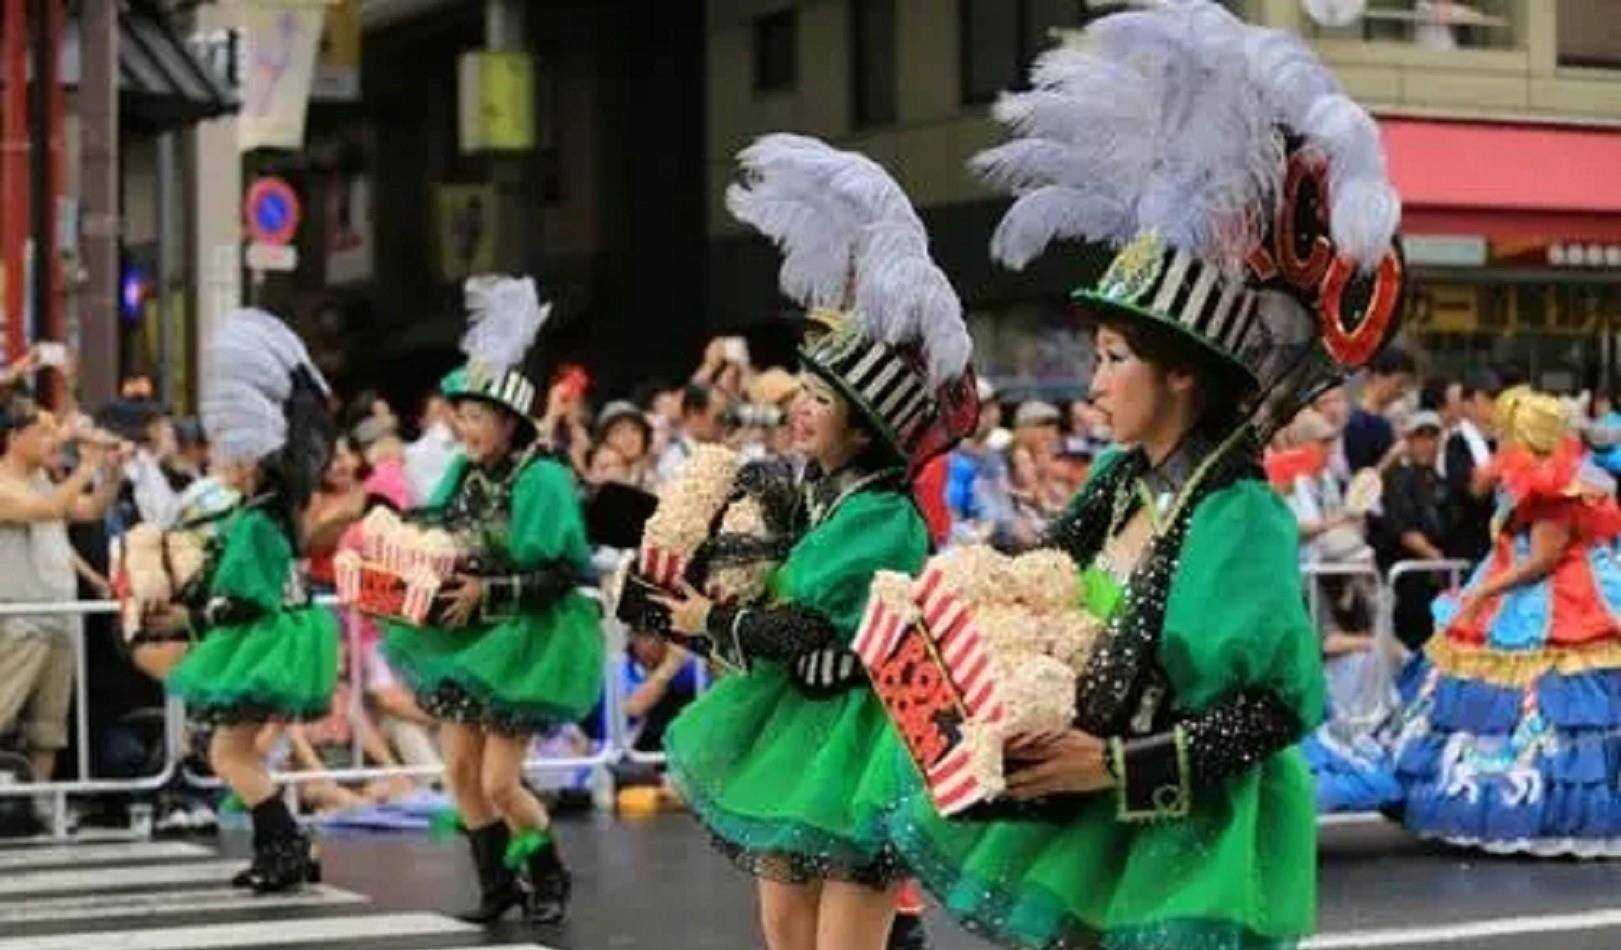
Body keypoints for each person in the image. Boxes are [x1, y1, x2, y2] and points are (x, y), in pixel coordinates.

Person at [879, 5, 1406, 947]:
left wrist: (1113, 766)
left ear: (1180, 373)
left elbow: (1271, 710)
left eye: (1113, 355)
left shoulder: (1236, 511)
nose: (1094, 381)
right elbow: (1035, 586)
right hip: (1101, 818)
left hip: (1190, 841)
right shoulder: (1119, 483)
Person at [634, 135, 977, 950]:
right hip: (792, 727)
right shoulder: (806, 490)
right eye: (803, 391)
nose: (797, 407)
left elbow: (814, 628)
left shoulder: (885, 514)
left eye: (818, 397)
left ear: (863, 426)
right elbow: (757, 573)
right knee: (783, 932)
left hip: (857, 738)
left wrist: (707, 624)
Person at [382, 276, 604, 926]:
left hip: (527, 640)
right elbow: (436, 522)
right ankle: (497, 886)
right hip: (467, 636)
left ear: (508, 420)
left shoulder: (541, 477)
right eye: (462, 417)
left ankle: (547, 869)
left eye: (476, 417)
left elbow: (565, 570)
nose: (465, 428)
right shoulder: (466, 473)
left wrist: (490, 586)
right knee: (459, 773)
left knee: (500, 782)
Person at [151, 308, 340, 892]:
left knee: (230, 755)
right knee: (233, 752)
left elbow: (246, 598)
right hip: (275, 638)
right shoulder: (264, 513)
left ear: (256, 460)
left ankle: (284, 850)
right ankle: (286, 848)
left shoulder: (259, 519)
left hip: (264, 640)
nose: (222, 462)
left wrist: (194, 611)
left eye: (232, 453)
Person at [1393, 389, 1621, 856]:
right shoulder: (1525, 477)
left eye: (1506, 434)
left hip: (1557, 601)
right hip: (1515, 592)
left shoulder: (1554, 485)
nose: (1499, 441)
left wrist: (1484, 591)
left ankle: (1545, 807)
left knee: (1559, 703)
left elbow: (1543, 560)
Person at [0, 393, 123, 795]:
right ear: (14, 436)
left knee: (48, 731)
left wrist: (112, 474)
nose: (54, 440)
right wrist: (86, 465)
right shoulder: (4, 484)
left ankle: (33, 809)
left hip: (59, 617)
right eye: (43, 432)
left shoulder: (41, 479)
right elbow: (49, 510)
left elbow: (89, 510)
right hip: (19, 619)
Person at [1377, 411, 1453, 651]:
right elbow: (1404, 530)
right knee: (1412, 643)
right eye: (1419, 437)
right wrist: (1436, 558)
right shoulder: (1397, 479)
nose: (1426, 444)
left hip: (1439, 580)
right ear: (1407, 441)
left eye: (1432, 437)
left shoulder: (1442, 480)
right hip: (1409, 579)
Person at [1442, 369, 1501, 564]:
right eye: (1488, 398)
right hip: (1470, 544)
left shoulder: (1498, 441)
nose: (1495, 405)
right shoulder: (1457, 443)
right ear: (1468, 404)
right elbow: (1474, 492)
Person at [1344, 346, 1417, 474]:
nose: (1401, 391)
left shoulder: (1383, 421)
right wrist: (1392, 456)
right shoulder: (1356, 423)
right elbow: (1359, 484)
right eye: (1398, 384)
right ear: (1377, 377)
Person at [405, 388, 459, 504]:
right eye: (438, 414)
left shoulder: (463, 445)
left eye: (448, 411)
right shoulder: (411, 454)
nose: (447, 418)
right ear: (421, 422)